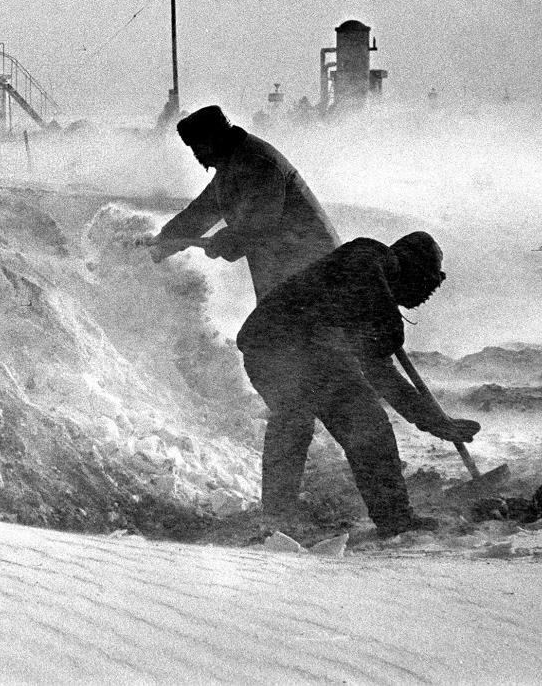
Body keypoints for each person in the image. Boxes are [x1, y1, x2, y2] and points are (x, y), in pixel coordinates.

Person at [235, 231, 481, 539]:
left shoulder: (371, 296)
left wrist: (435, 422)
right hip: (283, 347)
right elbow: (366, 268)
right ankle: (286, 516)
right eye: (430, 282)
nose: (427, 295)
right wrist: (388, 320)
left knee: (325, 420)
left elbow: (383, 376)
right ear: (413, 269)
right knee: (333, 421)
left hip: (286, 350)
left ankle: (284, 516)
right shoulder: (373, 256)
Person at [148, 105, 338, 301]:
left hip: (312, 265)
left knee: (273, 328)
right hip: (282, 269)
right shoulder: (230, 166)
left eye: (198, 146)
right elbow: (199, 214)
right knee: (269, 327)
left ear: (214, 138)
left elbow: (260, 222)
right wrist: (160, 243)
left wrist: (226, 240)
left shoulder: (256, 160)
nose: (196, 154)